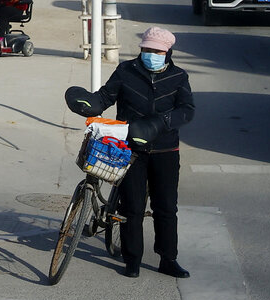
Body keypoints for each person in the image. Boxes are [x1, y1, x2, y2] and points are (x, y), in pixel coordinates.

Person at [64, 27, 195, 279]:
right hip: (130, 149)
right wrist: (90, 103)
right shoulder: (126, 71)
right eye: (146, 50)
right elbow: (105, 96)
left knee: (165, 207)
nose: (150, 55)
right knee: (131, 207)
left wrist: (160, 123)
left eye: (156, 51)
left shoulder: (178, 77)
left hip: (165, 150)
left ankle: (168, 258)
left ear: (167, 53)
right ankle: (131, 259)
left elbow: (187, 110)